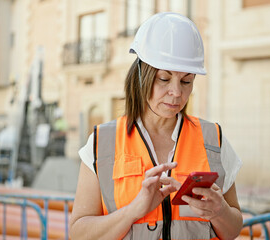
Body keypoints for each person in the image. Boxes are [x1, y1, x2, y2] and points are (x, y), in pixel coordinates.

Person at [70, 12, 243, 240]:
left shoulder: (213, 139)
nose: (176, 92)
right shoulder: (102, 142)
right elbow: (78, 234)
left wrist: (220, 212)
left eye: (186, 81)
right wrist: (133, 211)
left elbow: (233, 230)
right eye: (164, 79)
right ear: (142, 75)